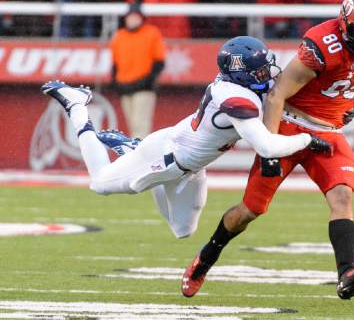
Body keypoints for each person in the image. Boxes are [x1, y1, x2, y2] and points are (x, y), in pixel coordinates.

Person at [182, 0, 354, 300]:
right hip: (289, 126)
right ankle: (205, 259)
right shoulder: (322, 47)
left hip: (328, 133)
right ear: (344, 25)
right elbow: (276, 96)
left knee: (341, 198)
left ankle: (347, 273)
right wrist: (267, 146)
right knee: (250, 210)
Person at [40, 36, 332, 239]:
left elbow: (284, 94)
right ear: (241, 74)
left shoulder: (242, 84)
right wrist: (309, 139)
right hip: (167, 156)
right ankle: (76, 104)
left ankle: (133, 150)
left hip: (190, 165)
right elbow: (266, 145)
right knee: (99, 183)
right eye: (260, 69)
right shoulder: (233, 98)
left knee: (184, 231)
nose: (268, 73)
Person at [110, 2, 166, 139]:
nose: (132, 20)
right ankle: (138, 154)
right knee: (132, 125)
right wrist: (116, 82)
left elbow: (159, 61)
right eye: (130, 17)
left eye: (135, 17)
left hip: (143, 87)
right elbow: (115, 63)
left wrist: (148, 80)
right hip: (126, 86)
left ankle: (141, 156)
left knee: (140, 125)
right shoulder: (120, 36)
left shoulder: (151, 33)